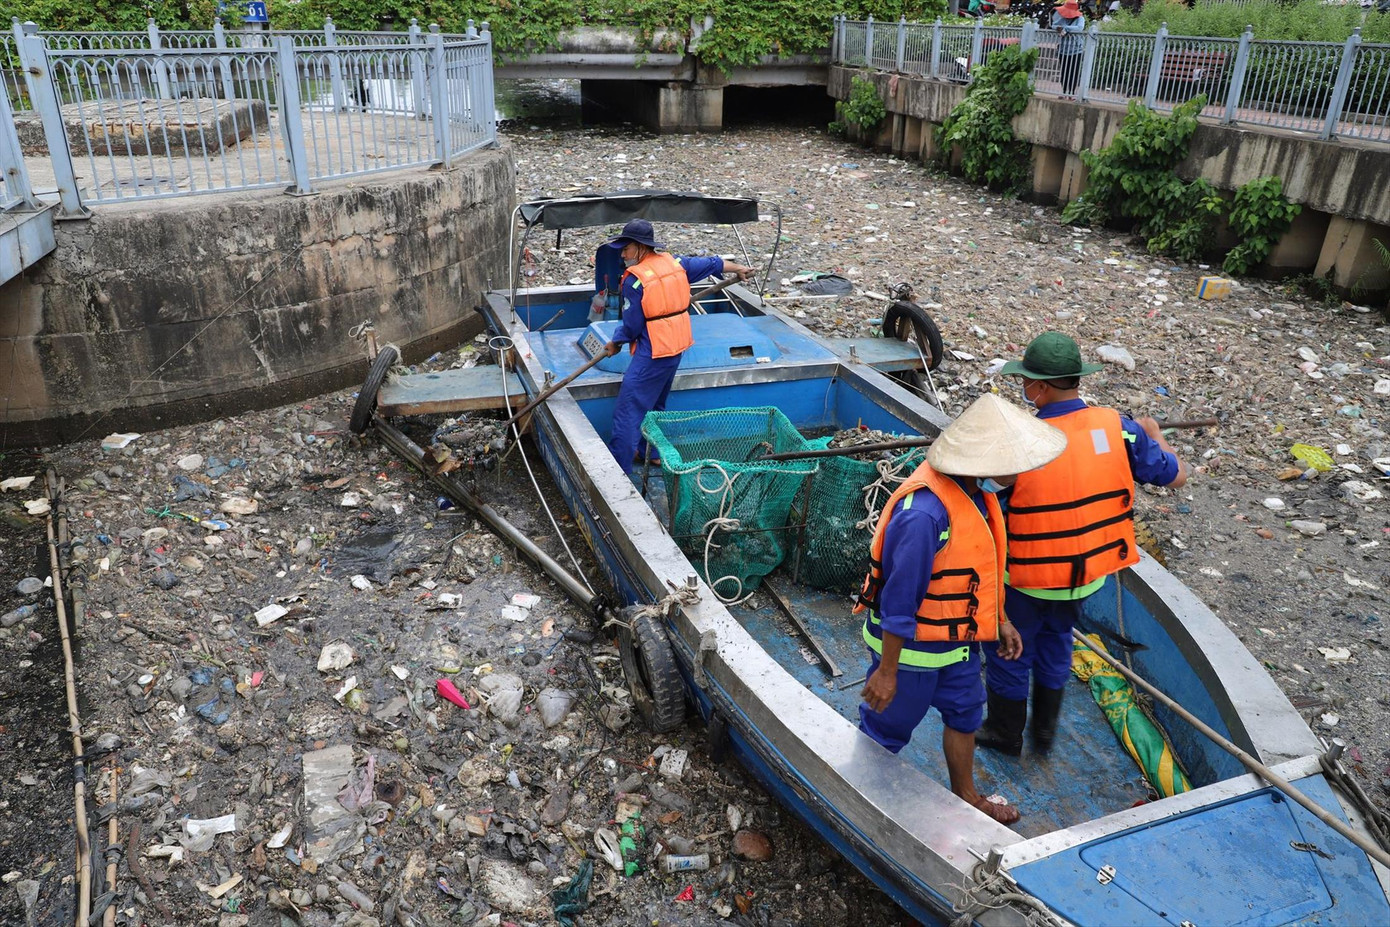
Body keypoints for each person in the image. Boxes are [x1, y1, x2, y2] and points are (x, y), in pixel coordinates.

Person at [856, 393, 1067, 826]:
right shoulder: (924, 515)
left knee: (967, 713)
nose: (1021, 469)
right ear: (985, 463)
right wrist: (888, 671)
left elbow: (979, 572)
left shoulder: (977, 498)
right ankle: (860, 798)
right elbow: (899, 600)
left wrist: (1001, 621)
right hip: (911, 655)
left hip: (960, 649)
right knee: (886, 730)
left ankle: (966, 794)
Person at [975, 332, 1188, 756]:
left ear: (1039, 387)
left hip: (1027, 579)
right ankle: (1044, 735)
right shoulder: (1121, 429)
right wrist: (1154, 435)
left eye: (1026, 380)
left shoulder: (1023, 439)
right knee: (1057, 642)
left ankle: (1004, 734)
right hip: (1086, 576)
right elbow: (1175, 475)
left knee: (1009, 649)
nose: (1024, 387)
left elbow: (983, 496)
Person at [599, 219, 753, 474]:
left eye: (625, 248)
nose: (622, 254)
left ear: (638, 247)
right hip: (675, 349)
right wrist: (739, 268)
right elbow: (713, 263)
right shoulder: (677, 264)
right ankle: (652, 453)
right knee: (656, 405)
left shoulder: (634, 281)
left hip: (653, 352)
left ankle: (618, 470)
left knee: (628, 411)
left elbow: (632, 326)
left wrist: (615, 342)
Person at [1052, 0, 1086, 100]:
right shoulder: (1061, 17)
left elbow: (1079, 28)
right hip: (1063, 48)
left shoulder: (1080, 18)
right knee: (1064, 72)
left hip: (1076, 49)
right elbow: (1054, 25)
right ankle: (1064, 91)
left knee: (1073, 72)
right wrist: (1058, 28)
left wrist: (1066, 28)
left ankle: (1071, 93)